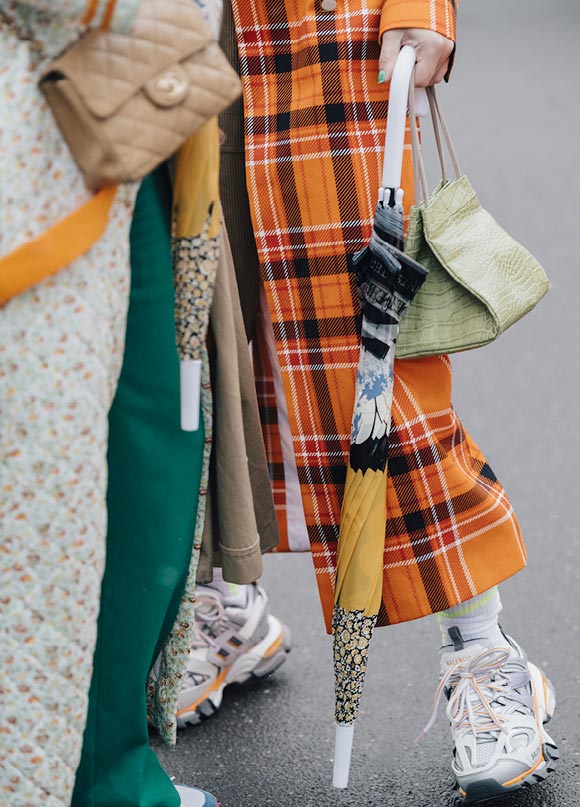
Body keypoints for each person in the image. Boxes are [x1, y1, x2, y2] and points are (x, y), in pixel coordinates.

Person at [191, 1, 558, 804]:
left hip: (321, 33)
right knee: (195, 348)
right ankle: (223, 603)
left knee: (363, 363)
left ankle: (483, 651)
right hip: (166, 34)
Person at [0, 2, 224, 805]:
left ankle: (111, 772)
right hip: (30, 135)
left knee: (150, 444)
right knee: (40, 498)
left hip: (126, 98)